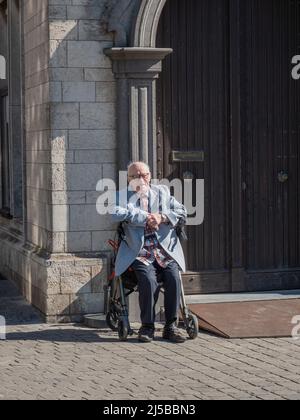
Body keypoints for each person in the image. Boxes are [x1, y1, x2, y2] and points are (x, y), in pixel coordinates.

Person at [112, 161, 187, 343]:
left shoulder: (162, 192)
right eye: (135, 176)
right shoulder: (121, 195)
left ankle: (171, 326)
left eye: (144, 175)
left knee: (173, 276)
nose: (140, 179)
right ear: (128, 179)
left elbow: (182, 211)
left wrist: (162, 217)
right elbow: (115, 213)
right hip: (139, 250)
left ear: (150, 176)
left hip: (163, 250)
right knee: (147, 279)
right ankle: (147, 327)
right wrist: (145, 217)